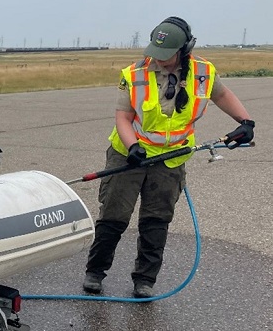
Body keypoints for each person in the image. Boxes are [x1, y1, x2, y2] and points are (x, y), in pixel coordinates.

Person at [82, 16, 256, 298]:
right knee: (114, 214)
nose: (158, 60)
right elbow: (123, 118)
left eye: (166, 56)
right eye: (155, 53)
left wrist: (246, 121)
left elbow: (222, 96)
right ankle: (95, 272)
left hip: (172, 158)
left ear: (184, 49)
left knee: (156, 219)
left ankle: (144, 279)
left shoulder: (203, 72)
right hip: (129, 155)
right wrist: (133, 147)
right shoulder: (135, 74)